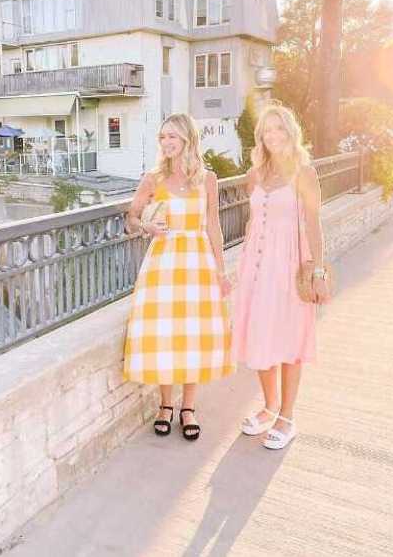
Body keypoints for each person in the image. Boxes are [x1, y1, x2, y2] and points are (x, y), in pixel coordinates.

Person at [124, 113, 233, 441]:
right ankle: (165, 405)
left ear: (188, 140)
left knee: (192, 335)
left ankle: (188, 407)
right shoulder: (152, 179)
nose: (167, 143)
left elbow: (213, 224)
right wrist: (146, 226)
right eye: (163, 138)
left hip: (197, 263)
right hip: (163, 264)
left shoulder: (207, 179)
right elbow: (131, 218)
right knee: (166, 335)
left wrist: (221, 269)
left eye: (173, 137)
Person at [231, 104, 331, 450]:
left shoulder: (304, 172)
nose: (272, 136)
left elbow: (314, 225)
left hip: (288, 267)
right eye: (266, 131)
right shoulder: (255, 174)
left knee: (289, 341)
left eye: (279, 129)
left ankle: (287, 416)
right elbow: (253, 221)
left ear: (291, 132)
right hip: (255, 269)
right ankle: (270, 405)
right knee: (259, 336)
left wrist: (318, 272)